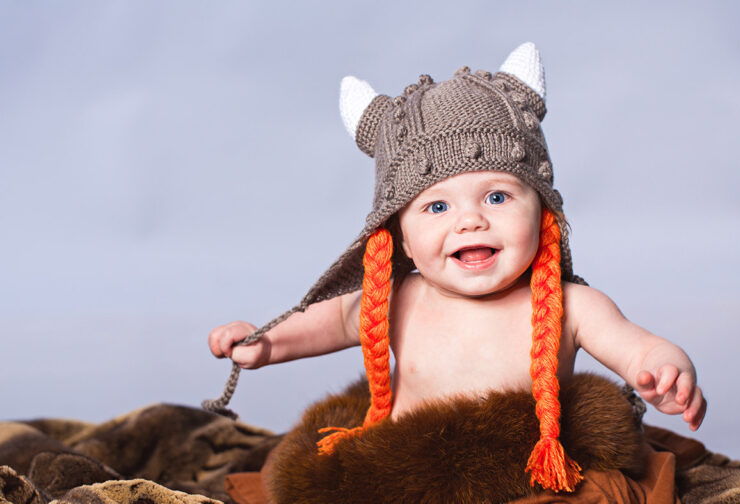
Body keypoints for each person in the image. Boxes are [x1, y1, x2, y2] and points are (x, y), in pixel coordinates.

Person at [205, 42, 706, 495]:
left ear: (543, 211)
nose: (471, 220)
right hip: (413, 473)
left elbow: (635, 345)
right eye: (437, 207)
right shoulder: (399, 298)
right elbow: (332, 320)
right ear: (399, 235)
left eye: (497, 196)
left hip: (520, 475)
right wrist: (265, 342)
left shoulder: (570, 304)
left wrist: (666, 370)